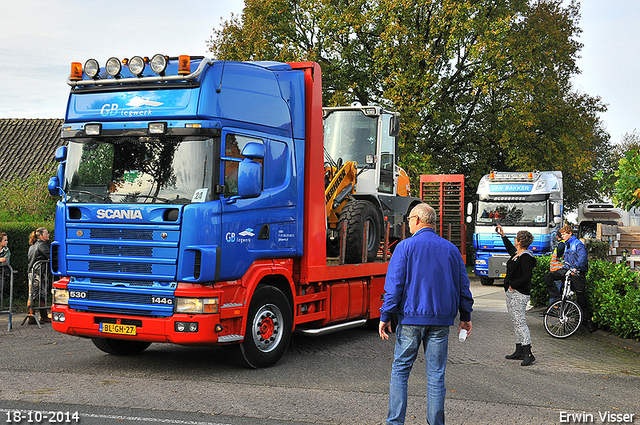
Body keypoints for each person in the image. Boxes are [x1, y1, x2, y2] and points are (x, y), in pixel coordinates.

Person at [379, 203, 474, 425]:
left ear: (418, 220)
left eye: (410, 219)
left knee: (400, 372)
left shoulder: (405, 247)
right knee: (435, 376)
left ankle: (395, 422)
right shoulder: (451, 249)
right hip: (441, 322)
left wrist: (385, 316)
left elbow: (394, 286)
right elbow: (463, 286)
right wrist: (465, 316)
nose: (408, 224)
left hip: (411, 319)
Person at [495, 225, 537, 366]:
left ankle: (528, 353)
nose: (514, 240)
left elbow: (527, 277)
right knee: (515, 321)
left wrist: (513, 285)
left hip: (519, 293)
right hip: (511, 293)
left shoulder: (526, 257)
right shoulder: (517, 254)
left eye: (515, 238)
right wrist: (503, 235)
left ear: (519, 241)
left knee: (520, 322)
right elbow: (510, 248)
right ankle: (519, 350)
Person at [544, 225, 595, 333]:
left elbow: (582, 258)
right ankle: (556, 297)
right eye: (561, 234)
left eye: (564, 234)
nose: (562, 236)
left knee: (581, 298)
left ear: (570, 233)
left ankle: (589, 321)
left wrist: (576, 267)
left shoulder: (578, 244)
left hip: (577, 273)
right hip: (567, 270)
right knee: (548, 277)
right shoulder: (566, 245)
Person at [27, 227, 51, 324]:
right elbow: (49, 256)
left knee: (35, 294)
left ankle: (39, 316)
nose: (48, 234)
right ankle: (33, 316)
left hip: (33, 272)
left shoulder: (32, 245)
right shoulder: (42, 245)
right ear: (41, 236)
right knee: (36, 294)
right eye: (46, 233)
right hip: (39, 273)